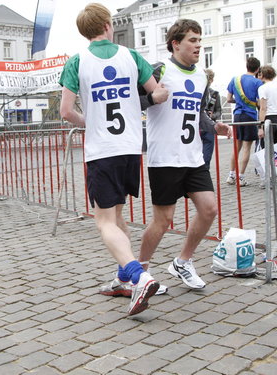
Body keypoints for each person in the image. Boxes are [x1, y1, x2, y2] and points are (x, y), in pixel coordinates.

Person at [59, 3, 169, 315]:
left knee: (103, 220)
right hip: (131, 148)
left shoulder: (77, 62)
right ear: (108, 24)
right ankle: (124, 278)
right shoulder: (132, 56)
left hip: (102, 149)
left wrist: (88, 120)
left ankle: (139, 275)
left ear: (84, 32)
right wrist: (142, 101)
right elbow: (158, 93)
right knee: (117, 214)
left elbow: (66, 111)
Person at [134, 19, 230, 290]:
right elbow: (132, 101)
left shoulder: (200, 76)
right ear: (176, 44)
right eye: (192, 40)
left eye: (200, 40)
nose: (199, 45)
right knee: (163, 221)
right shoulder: (159, 70)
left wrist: (214, 126)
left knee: (209, 209)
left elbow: (197, 113)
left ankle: (182, 261)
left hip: (193, 157)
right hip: (165, 158)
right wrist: (152, 99)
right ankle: (138, 273)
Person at [226, 57, 263, 186]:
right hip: (250, 116)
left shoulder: (235, 79)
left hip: (237, 116)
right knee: (247, 147)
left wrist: (239, 101)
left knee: (236, 147)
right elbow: (259, 103)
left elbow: (228, 98)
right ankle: (241, 177)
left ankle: (231, 175)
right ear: (257, 69)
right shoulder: (258, 83)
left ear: (246, 66)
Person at [257, 65, 277, 188]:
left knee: (266, 150)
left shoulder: (263, 88)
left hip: (269, 119)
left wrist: (261, 126)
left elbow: (263, 108)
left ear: (262, 75)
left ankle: (268, 178)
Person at [201, 69, 222, 169]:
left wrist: (213, 116)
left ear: (212, 80)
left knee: (207, 157)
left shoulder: (214, 94)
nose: (207, 81)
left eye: (209, 79)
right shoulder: (197, 91)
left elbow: (219, 111)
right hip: (197, 127)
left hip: (209, 127)